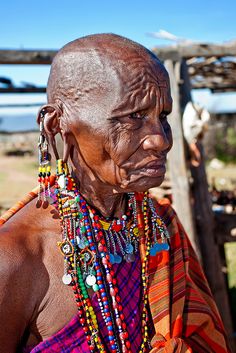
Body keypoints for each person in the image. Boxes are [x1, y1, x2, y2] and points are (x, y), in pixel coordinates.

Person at [0, 34, 231, 353]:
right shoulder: (15, 258)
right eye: (133, 116)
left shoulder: (160, 225)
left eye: (162, 117)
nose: (161, 140)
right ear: (56, 125)